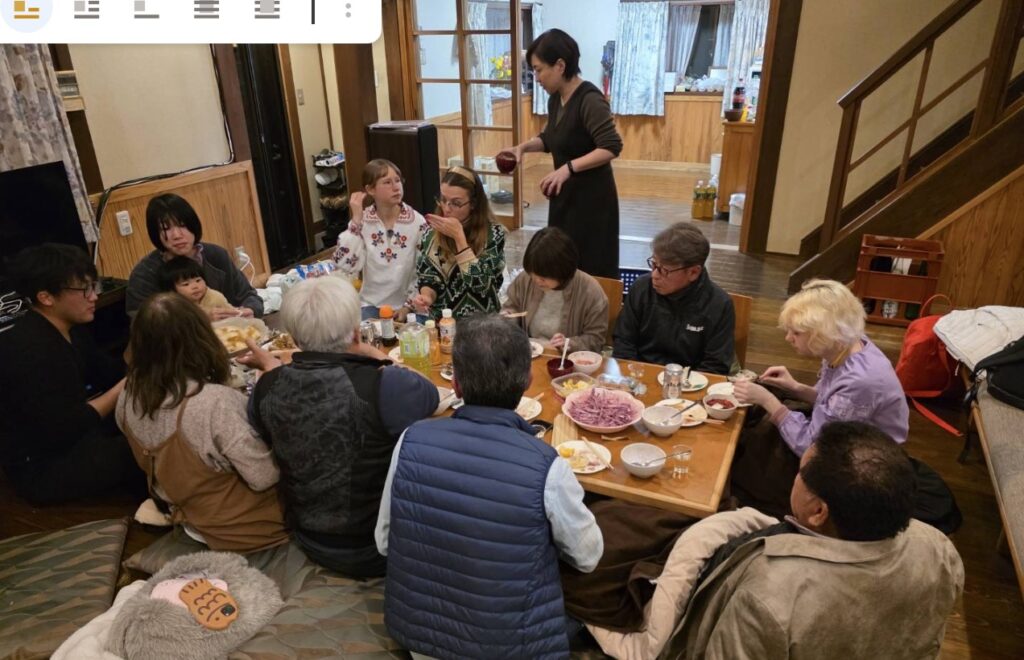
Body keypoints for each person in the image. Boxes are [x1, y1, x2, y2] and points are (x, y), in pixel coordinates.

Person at [376, 314, 603, 658]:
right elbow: (588, 558)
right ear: (528, 380)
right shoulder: (548, 465)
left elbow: (384, 542)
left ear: (456, 386)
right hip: (511, 648)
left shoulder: (411, 439)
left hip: (421, 640)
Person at [671, 422, 963, 659]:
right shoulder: (938, 546)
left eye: (800, 473)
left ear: (818, 511)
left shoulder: (769, 594)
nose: (795, 479)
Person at [243, 276, 438, 577]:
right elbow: (429, 394)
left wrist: (272, 368)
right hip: (381, 547)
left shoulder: (267, 386)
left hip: (308, 538)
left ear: (293, 337)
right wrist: (373, 353)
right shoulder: (385, 384)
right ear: (356, 331)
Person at [117, 293, 287, 552]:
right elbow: (265, 476)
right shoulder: (214, 403)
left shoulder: (128, 395)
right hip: (250, 530)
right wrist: (274, 385)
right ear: (201, 338)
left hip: (190, 517)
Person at [730, 279, 910, 516]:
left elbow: (811, 447)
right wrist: (795, 387)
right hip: (844, 433)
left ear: (824, 333)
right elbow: (831, 403)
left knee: (748, 466)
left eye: (796, 333)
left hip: (863, 461)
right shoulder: (847, 345)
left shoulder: (861, 380)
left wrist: (767, 401)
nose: (788, 338)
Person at [0, 244, 143, 505]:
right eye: (84, 289)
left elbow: (108, 372)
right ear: (46, 297)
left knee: (154, 420)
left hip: (78, 435)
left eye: (94, 285)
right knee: (145, 445)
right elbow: (66, 426)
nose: (94, 296)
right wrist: (124, 386)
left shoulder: (71, 327)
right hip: (45, 467)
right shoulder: (29, 349)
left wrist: (143, 338)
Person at [502, 29, 623, 279]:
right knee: (562, 264)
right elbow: (551, 138)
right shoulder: (556, 99)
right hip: (565, 198)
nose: (536, 77)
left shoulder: (590, 100)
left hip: (592, 203)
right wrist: (522, 148)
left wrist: (567, 169)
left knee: (590, 268)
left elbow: (611, 146)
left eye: (538, 69)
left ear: (560, 65)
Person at [613, 223, 734, 373]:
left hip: (690, 383)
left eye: (664, 270)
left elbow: (715, 365)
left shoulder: (719, 304)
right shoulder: (642, 288)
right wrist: (635, 377)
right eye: (654, 264)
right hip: (641, 374)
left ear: (693, 273)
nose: (654, 276)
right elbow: (623, 341)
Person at [126, 193, 263, 318]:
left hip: (229, 336)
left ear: (194, 225)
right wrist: (200, 321)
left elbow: (249, 296)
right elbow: (143, 327)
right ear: (155, 234)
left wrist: (250, 310)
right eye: (166, 229)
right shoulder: (144, 274)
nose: (177, 235)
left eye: (182, 225)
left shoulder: (216, 255)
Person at [332, 159, 429, 320]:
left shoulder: (417, 222)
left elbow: (424, 270)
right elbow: (345, 264)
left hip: (408, 305)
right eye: (387, 182)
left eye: (398, 181)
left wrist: (408, 306)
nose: (396, 187)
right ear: (370, 189)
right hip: (370, 304)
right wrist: (356, 220)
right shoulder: (362, 221)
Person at [411, 166, 506, 320]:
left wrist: (459, 239)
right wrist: (427, 296)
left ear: (473, 203)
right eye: (443, 199)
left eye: (456, 203)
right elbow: (428, 276)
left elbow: (482, 286)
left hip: (482, 324)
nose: (446, 209)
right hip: (443, 323)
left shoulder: (494, 234)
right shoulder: (430, 232)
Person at [502, 226, 608, 352]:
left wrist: (570, 344)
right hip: (530, 352)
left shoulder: (591, 292)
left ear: (562, 270)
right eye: (532, 273)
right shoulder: (526, 279)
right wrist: (508, 317)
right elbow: (512, 306)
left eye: (543, 277)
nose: (536, 281)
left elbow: (596, 339)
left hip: (567, 361)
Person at [158, 255, 245, 319]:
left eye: (198, 280)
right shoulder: (173, 307)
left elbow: (232, 313)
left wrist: (239, 312)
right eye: (186, 284)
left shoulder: (215, 297)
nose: (195, 286)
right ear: (172, 291)